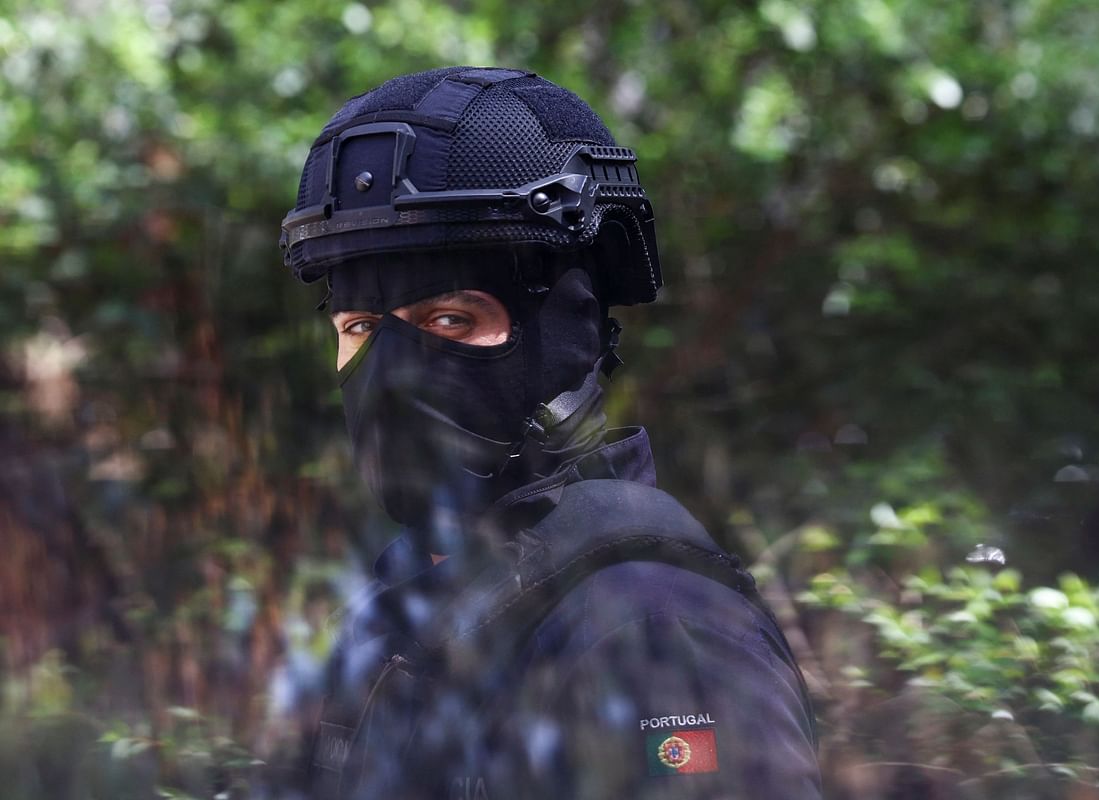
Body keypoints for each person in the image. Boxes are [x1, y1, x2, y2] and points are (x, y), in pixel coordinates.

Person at [278, 66, 821, 799]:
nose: (391, 376)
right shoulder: (400, 602)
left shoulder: (651, 624)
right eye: (362, 329)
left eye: (450, 320)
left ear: (564, 338)